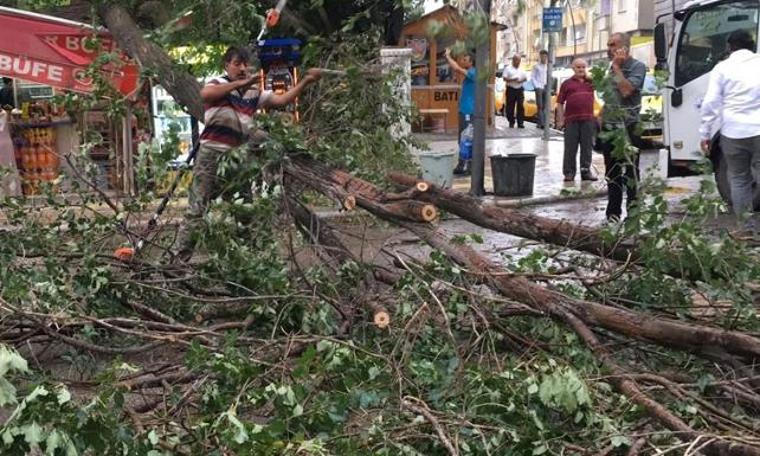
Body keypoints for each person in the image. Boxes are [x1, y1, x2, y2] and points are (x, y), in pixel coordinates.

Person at [176, 46, 321, 260]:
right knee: (198, 207)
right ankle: (179, 258)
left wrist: (306, 81)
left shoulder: (254, 93)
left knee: (244, 209)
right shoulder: (219, 83)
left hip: (237, 158)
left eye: (245, 64)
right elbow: (205, 94)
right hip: (211, 154)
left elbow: (281, 100)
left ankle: (247, 257)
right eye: (237, 64)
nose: (242, 68)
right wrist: (241, 83)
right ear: (227, 65)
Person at [699, 29, 760, 227]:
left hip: (733, 133)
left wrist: (705, 133)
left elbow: (710, 103)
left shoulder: (722, 68)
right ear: (751, 46)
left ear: (730, 47)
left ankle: (747, 229)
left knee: (740, 179)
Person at [597, 32, 647, 222]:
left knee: (631, 171)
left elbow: (626, 91)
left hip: (630, 127)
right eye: (608, 45)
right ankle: (613, 213)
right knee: (612, 171)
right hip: (610, 128)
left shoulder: (638, 67)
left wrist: (617, 68)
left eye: (612, 45)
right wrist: (601, 118)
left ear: (624, 48)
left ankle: (633, 213)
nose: (609, 49)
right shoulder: (611, 69)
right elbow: (611, 97)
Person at [557, 58, 598, 182]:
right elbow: (559, 102)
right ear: (573, 68)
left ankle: (586, 172)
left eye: (583, 67)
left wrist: (591, 77)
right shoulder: (566, 84)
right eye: (578, 67)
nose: (581, 69)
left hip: (588, 119)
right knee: (570, 148)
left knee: (587, 147)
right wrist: (560, 119)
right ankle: (569, 173)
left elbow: (603, 87)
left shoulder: (591, 82)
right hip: (571, 120)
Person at [445, 48, 476, 175]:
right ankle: (464, 164)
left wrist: (448, 56)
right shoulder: (472, 72)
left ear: (471, 61)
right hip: (465, 110)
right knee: (464, 137)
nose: (463, 61)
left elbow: (457, 69)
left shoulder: (473, 72)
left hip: (468, 111)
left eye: (465, 60)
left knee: (466, 137)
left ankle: (466, 165)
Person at [503, 54, 527, 128]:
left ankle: (520, 123)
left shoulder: (522, 69)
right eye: (517, 60)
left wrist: (521, 80)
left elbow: (525, 78)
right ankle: (511, 121)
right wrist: (513, 79)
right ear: (513, 60)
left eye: (519, 61)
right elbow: (504, 78)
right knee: (510, 106)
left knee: (520, 106)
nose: (518, 62)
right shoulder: (508, 68)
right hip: (511, 89)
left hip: (520, 89)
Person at [531, 50, 549, 129]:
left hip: (546, 87)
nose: (543, 58)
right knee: (540, 106)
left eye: (545, 56)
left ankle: (543, 123)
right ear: (540, 56)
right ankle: (541, 124)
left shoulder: (548, 66)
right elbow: (532, 77)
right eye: (542, 56)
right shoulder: (536, 66)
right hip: (539, 87)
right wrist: (536, 86)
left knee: (545, 106)